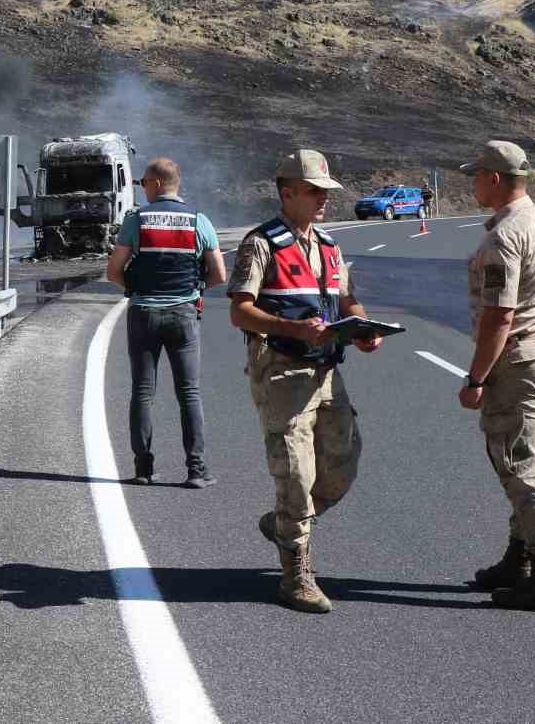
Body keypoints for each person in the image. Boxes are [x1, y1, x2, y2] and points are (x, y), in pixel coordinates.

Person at [227, 148, 383, 613]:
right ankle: (296, 570)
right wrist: (292, 328)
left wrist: (363, 328)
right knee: (296, 472)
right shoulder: (262, 244)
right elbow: (240, 311)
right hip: (282, 371)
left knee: (342, 463)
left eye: (326, 192)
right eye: (314, 191)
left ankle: (283, 522)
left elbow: (347, 300)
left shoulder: (331, 247)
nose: (324, 200)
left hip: (327, 371)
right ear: (287, 192)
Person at [457, 140, 535, 614]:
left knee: (523, 468)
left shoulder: (505, 236)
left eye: (477, 175)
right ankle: (518, 558)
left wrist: (476, 378)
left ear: (496, 179)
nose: (473, 184)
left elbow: (499, 316)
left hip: (521, 358)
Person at [105, 157, 227, 489]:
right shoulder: (199, 221)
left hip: (143, 313)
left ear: (157, 184)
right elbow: (218, 274)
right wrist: (193, 289)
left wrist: (133, 288)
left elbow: (112, 271)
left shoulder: (136, 220)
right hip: (184, 314)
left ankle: (143, 468)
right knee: (189, 392)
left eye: (144, 183)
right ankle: (196, 471)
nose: (143, 189)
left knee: (143, 392)